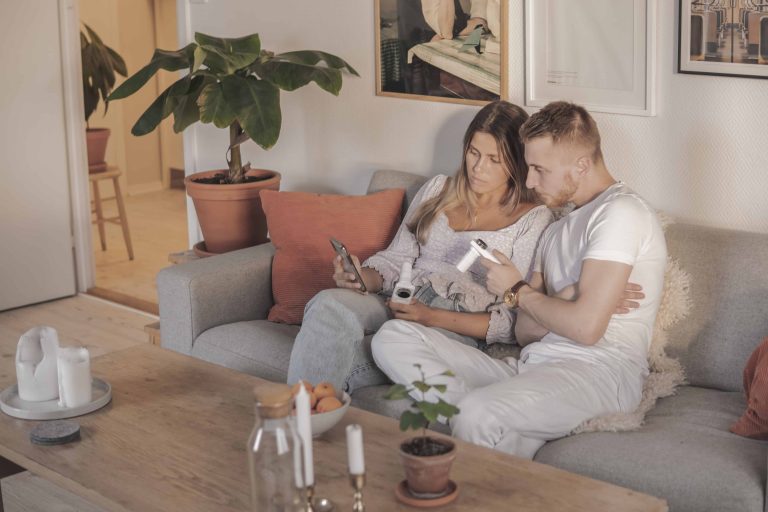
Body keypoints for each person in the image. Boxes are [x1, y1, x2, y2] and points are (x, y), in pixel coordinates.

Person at [372, 101, 666, 459]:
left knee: (478, 413)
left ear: (581, 165)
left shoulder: (619, 212)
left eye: (540, 170)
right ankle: (482, 422)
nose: (529, 181)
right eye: (529, 168)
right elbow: (526, 333)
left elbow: (586, 329)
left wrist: (518, 290)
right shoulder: (556, 230)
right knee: (393, 337)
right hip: (534, 366)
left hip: (600, 371)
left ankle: (474, 416)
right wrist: (572, 294)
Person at [286, 101, 553, 394]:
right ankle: (305, 413)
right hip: (401, 296)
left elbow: (511, 320)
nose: (478, 168)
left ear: (516, 162)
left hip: (452, 324)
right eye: (473, 152)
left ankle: (302, 412)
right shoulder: (438, 189)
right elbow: (397, 258)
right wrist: (362, 278)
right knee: (328, 303)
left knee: (350, 356)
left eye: (494, 160)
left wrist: (429, 316)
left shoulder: (533, 219)